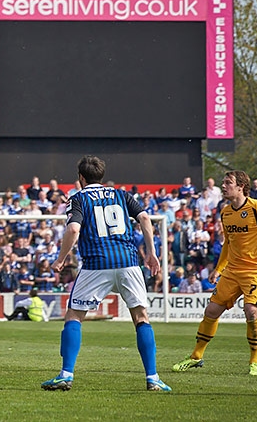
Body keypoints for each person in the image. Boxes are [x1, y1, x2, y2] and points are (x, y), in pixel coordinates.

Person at [41, 155, 171, 392]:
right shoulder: (121, 194)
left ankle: (66, 375)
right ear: (101, 175)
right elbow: (143, 217)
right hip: (128, 261)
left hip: (96, 263)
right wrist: (151, 253)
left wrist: (60, 259)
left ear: (81, 178)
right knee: (141, 318)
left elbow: (73, 228)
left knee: (74, 316)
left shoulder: (78, 198)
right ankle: (153, 378)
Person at [172, 170, 257, 377]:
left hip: (256, 270)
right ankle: (196, 357)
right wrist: (218, 269)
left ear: (241, 186)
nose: (224, 185)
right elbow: (228, 243)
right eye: (224, 182)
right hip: (232, 271)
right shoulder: (226, 212)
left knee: (251, 311)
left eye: (228, 182)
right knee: (211, 311)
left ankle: (254, 362)